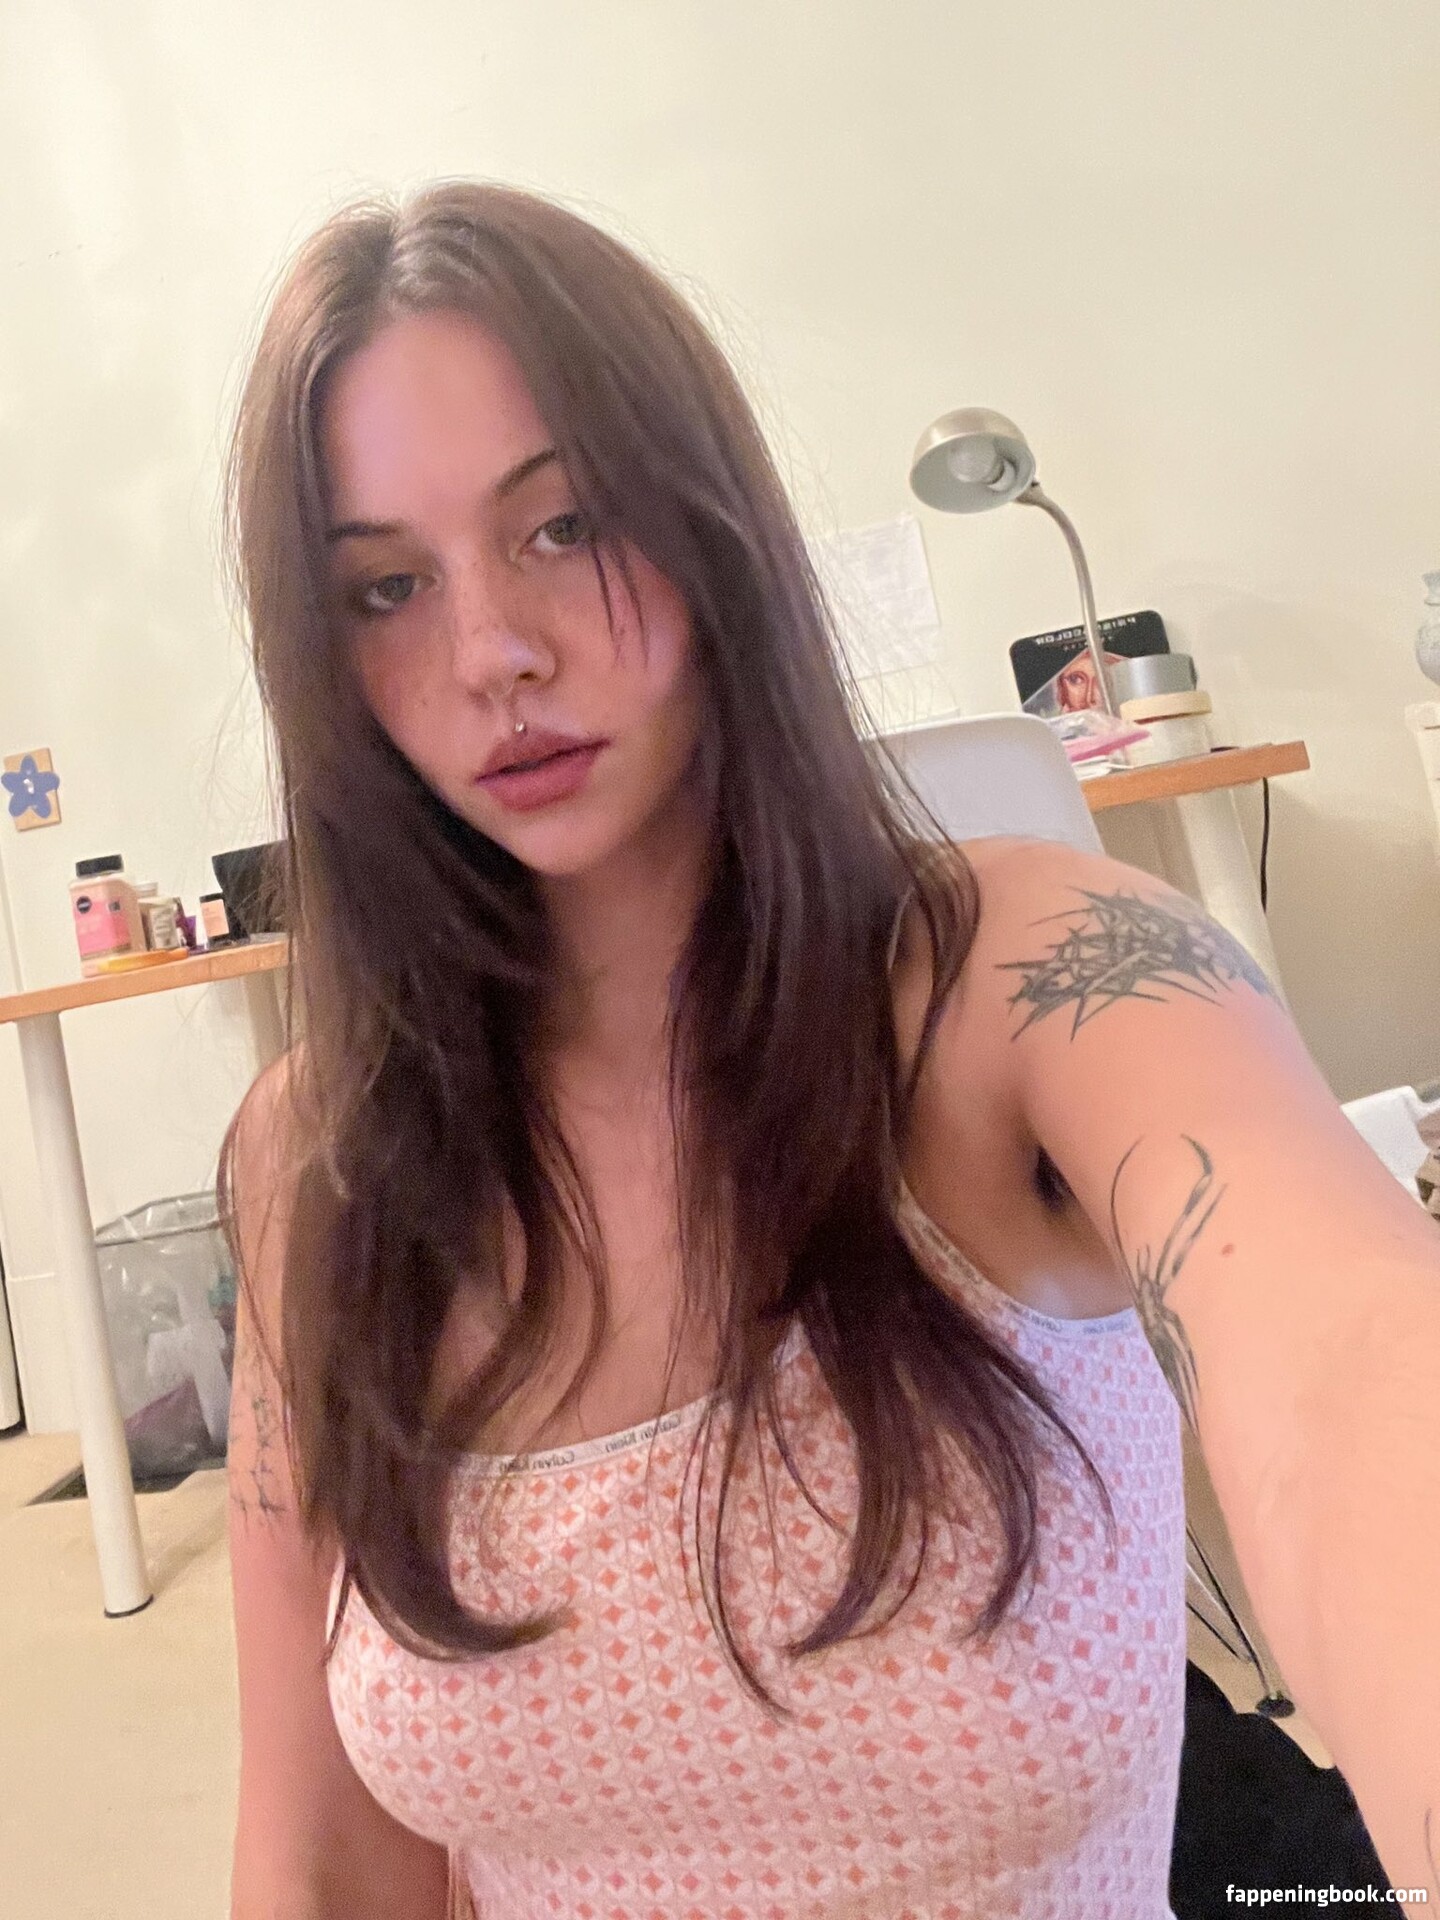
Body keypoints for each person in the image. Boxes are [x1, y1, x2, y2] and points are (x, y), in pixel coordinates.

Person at [223, 182, 1440, 1920]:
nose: (491, 652)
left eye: (564, 525)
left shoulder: (1030, 984)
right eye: (387, 587)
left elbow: (1349, 1374)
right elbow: (327, 1855)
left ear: (710, 521)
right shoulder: (317, 1160)